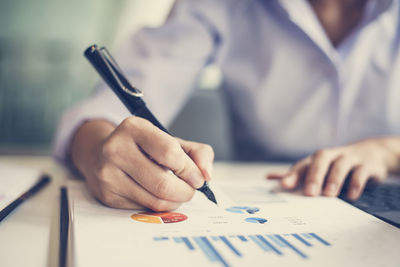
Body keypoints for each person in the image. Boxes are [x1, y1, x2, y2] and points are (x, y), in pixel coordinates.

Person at [54, 0, 400, 211]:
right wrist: (100, 150)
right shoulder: (219, 4)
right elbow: (100, 116)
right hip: (275, 197)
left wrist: (388, 152)